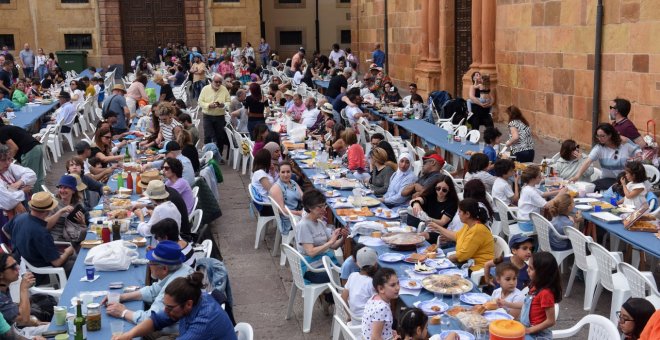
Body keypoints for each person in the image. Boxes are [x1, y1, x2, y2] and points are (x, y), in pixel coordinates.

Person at [105, 240, 194, 336]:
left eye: (151, 262)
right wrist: (122, 297)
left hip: (177, 333)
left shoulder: (175, 286)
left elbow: (150, 319)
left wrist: (123, 312)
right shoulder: (180, 268)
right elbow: (153, 290)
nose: (149, 265)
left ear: (164, 269)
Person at [111, 272, 237, 340]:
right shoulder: (193, 298)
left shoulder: (206, 320)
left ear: (188, 304)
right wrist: (128, 335)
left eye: (170, 307)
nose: (166, 310)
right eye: (165, 305)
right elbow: (156, 320)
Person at [4, 192, 76, 278]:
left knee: (73, 258)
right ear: (48, 211)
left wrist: (18, 240)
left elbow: (4, 230)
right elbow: (57, 263)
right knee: (76, 264)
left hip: (23, 266)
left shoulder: (19, 217)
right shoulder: (41, 232)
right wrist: (69, 251)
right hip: (39, 273)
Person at [295, 189, 346, 283]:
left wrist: (343, 237)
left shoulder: (320, 223)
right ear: (310, 208)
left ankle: (333, 295)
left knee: (348, 270)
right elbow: (311, 252)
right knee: (347, 274)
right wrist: (331, 241)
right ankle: (335, 295)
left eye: (324, 205)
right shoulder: (303, 225)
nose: (324, 209)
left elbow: (333, 246)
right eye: (320, 207)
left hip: (323, 262)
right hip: (311, 268)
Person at [438, 198, 495, 271]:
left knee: (442, 267)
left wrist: (445, 259)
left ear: (467, 214)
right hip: (467, 261)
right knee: (439, 257)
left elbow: (463, 255)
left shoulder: (477, 230)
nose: (458, 214)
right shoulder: (468, 225)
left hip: (478, 268)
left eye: (460, 211)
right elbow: (458, 236)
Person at [520, 252, 562, 339]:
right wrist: (506, 303)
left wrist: (529, 330)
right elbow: (526, 305)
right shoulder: (535, 287)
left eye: (531, 268)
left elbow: (551, 321)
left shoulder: (545, 293)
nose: (527, 270)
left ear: (542, 273)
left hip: (538, 335)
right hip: (526, 328)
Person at [409, 175, 459, 245]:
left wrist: (427, 218)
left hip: (441, 231)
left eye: (444, 190)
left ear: (449, 190)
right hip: (428, 227)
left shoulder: (451, 203)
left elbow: (442, 222)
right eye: (438, 188)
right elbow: (415, 201)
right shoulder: (431, 196)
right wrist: (416, 203)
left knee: (421, 236)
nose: (440, 191)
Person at [198, 74, 230, 161]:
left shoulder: (224, 89)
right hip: (207, 116)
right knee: (208, 136)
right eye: (216, 82)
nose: (218, 83)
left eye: (220, 82)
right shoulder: (205, 89)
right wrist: (209, 105)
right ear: (212, 81)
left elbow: (228, 102)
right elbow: (200, 102)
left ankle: (219, 156)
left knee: (220, 137)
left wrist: (223, 105)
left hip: (220, 116)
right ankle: (206, 156)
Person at [0, 144, 34, 225]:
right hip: (4, 218)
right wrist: (23, 191)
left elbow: (31, 174)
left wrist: (20, 182)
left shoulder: (8, 168)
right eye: (3, 160)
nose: (8, 163)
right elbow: (8, 201)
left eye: (9, 159)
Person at [47, 175, 88, 244]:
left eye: (65, 188)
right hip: (57, 241)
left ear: (73, 191)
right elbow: (46, 226)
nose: (62, 190)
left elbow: (82, 225)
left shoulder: (78, 204)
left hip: (74, 239)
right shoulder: (53, 203)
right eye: (60, 187)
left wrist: (82, 222)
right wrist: (61, 211)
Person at [361, 268, 399, 340]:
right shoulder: (382, 308)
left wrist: (390, 331)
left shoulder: (374, 297)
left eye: (398, 283)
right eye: (393, 285)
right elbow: (375, 338)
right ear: (381, 289)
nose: (397, 288)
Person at [341, 247, 378, 319]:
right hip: (366, 321)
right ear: (376, 264)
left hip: (353, 316)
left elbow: (343, 298)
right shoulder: (372, 283)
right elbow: (379, 307)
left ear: (357, 264)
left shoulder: (352, 276)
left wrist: (349, 316)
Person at [269, 161, 302, 236]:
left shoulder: (293, 182)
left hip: (299, 212)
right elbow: (281, 210)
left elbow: (303, 197)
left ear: (291, 172)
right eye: (283, 172)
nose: (286, 175)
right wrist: (299, 213)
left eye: (288, 172)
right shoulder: (277, 188)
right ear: (279, 173)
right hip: (290, 219)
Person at [250, 149, 275, 215]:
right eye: (270, 159)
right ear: (266, 161)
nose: (271, 161)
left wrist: (272, 173)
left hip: (268, 203)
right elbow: (272, 191)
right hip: (267, 206)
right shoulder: (260, 173)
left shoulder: (261, 172)